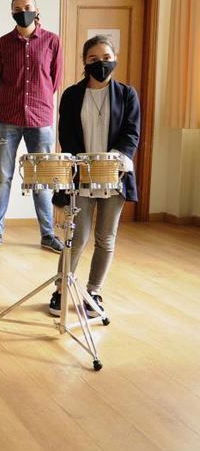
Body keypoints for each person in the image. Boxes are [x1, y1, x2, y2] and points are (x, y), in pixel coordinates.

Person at [48, 35, 139, 317]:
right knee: (77, 236)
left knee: (105, 238)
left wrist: (112, 162)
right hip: (81, 178)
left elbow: (131, 134)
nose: (101, 63)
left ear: (115, 59)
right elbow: (66, 135)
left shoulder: (127, 94)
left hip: (115, 177)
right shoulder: (72, 95)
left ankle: (93, 292)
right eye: (93, 59)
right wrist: (83, 166)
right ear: (84, 62)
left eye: (106, 58)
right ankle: (62, 288)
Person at [0, 0, 64, 254]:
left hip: (40, 120)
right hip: (6, 119)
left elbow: (55, 80)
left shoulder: (52, 42)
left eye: (27, 7)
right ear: (12, 13)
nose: (22, 11)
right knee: (2, 178)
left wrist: (36, 102)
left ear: (36, 9)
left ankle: (48, 234)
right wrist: (13, 101)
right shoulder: (2, 44)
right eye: (17, 9)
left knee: (42, 180)